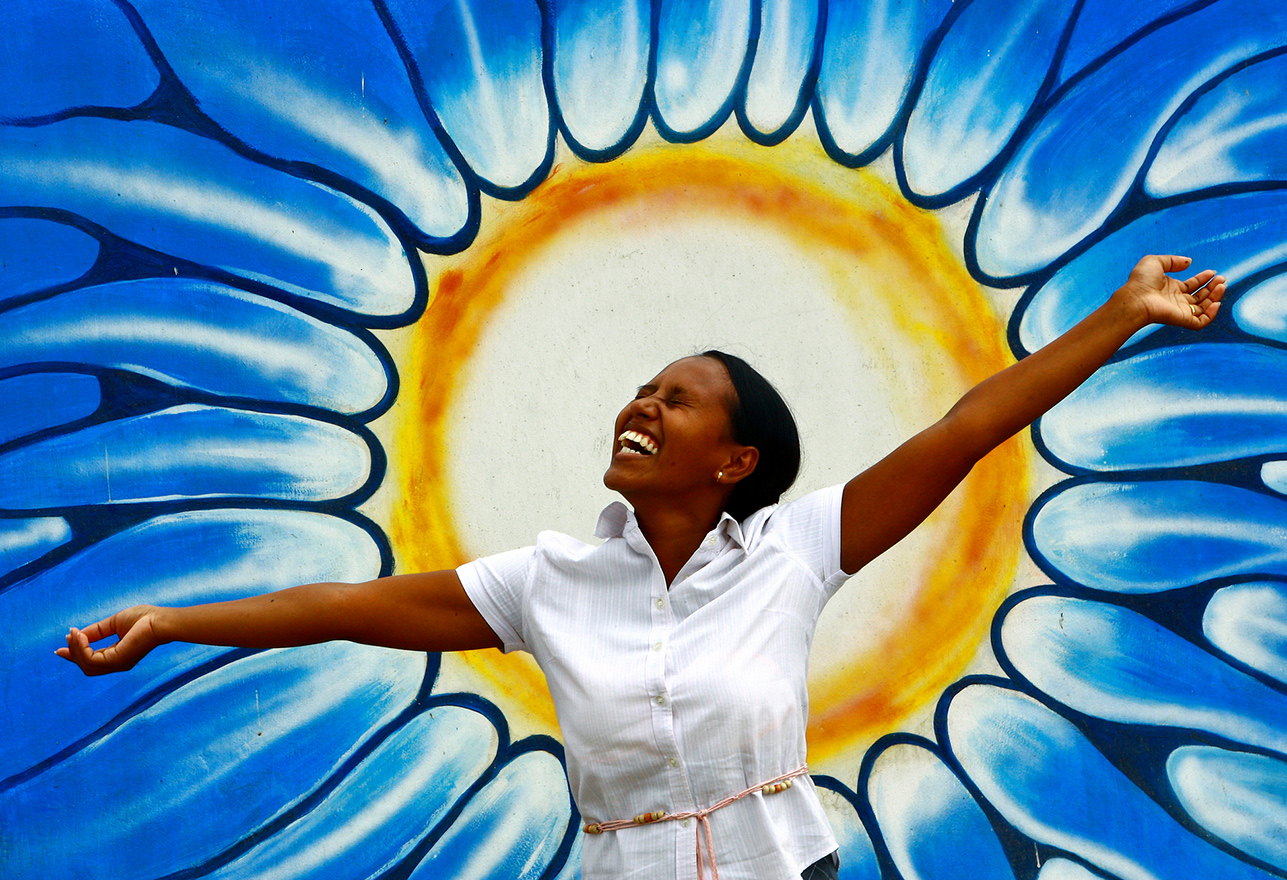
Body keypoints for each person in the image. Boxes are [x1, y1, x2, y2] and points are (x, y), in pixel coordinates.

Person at [58, 255, 1225, 880]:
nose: (643, 406)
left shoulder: (792, 552)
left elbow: (965, 429)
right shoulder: (549, 581)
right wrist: (173, 620)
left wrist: (1121, 313)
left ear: (736, 459)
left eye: (678, 399)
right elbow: (345, 608)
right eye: (641, 390)